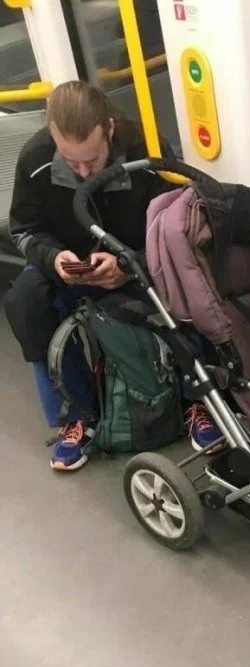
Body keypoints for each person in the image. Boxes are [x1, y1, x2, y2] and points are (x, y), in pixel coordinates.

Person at [3, 80, 219, 471]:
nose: (84, 172)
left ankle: (196, 400)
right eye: (72, 163)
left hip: (138, 258)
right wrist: (54, 259)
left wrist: (129, 263)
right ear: (52, 135)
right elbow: (25, 229)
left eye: (93, 160)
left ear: (110, 129)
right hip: (69, 263)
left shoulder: (145, 148)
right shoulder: (35, 157)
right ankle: (77, 415)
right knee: (26, 300)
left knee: (186, 278)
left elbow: (175, 224)